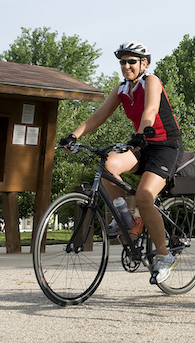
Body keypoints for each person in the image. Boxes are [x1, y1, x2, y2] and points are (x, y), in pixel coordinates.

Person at [59, 41, 183, 284]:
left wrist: (142, 132)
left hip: (165, 145)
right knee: (108, 165)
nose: (126, 66)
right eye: (123, 62)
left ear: (144, 64)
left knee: (145, 196)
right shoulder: (122, 89)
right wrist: (74, 135)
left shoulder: (151, 81)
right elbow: (98, 115)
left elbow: (151, 110)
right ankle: (127, 219)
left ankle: (164, 255)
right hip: (141, 143)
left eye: (131, 62)